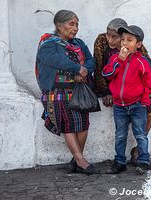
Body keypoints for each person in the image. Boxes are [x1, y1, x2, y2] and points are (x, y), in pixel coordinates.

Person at [35, 10, 99, 175]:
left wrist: (83, 71)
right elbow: (56, 61)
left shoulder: (79, 43)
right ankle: (81, 160)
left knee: (83, 125)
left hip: (79, 90)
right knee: (69, 125)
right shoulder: (48, 43)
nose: (75, 28)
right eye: (71, 24)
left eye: (77, 24)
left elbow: (91, 61)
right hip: (57, 91)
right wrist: (78, 68)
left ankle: (76, 161)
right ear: (59, 25)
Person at [102, 25, 151, 174]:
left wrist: (145, 100)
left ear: (138, 45)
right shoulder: (114, 58)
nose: (124, 43)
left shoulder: (142, 62)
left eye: (129, 40)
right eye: (123, 39)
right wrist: (119, 60)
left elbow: (148, 83)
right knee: (120, 134)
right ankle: (119, 161)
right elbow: (107, 75)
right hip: (119, 105)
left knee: (140, 133)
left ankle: (144, 160)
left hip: (137, 104)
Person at [93, 18, 151, 133]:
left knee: (150, 109)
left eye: (115, 37)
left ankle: (141, 141)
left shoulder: (134, 44)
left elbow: (149, 69)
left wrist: (147, 94)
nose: (110, 40)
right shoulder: (101, 40)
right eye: (108, 35)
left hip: (135, 84)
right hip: (112, 83)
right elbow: (98, 68)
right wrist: (105, 92)